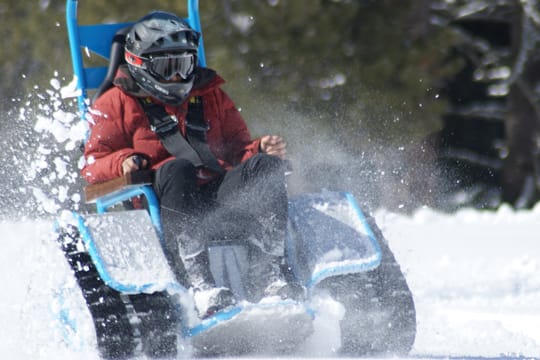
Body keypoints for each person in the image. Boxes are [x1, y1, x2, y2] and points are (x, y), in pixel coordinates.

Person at [81, 10, 302, 318]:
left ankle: (268, 276)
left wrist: (259, 149)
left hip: (214, 189)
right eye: (168, 67)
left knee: (266, 167)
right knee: (176, 167)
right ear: (140, 65)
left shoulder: (210, 96)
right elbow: (91, 166)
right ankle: (200, 285)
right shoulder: (114, 103)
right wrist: (122, 163)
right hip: (162, 200)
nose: (177, 77)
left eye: (184, 65)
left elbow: (238, 151)